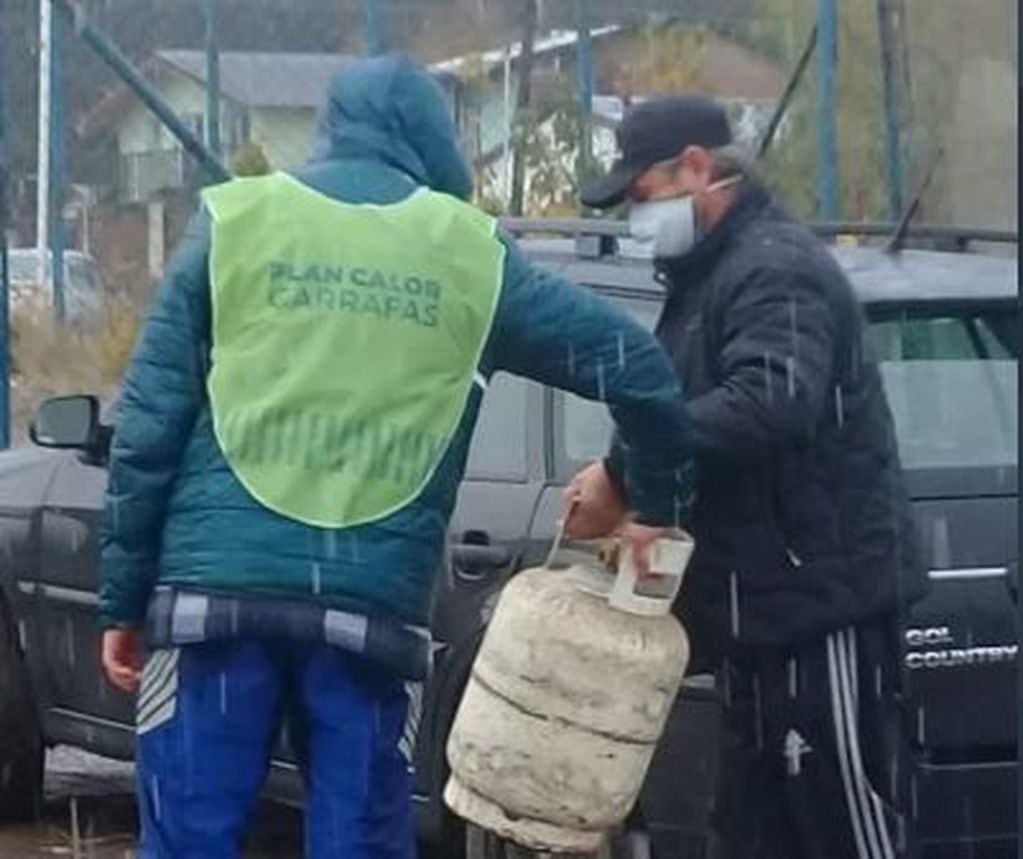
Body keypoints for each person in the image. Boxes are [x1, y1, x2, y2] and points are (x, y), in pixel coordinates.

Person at [98, 57, 694, 859]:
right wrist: (645, 498)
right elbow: (641, 371)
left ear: (329, 129)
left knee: (189, 839)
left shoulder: (233, 221)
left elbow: (147, 429)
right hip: (368, 612)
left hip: (213, 601)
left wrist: (124, 599)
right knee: (361, 841)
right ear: (433, 139)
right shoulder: (469, 256)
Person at [567, 95, 925, 859]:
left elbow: (767, 404)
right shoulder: (708, 279)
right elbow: (705, 421)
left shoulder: (773, 269)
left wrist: (623, 473)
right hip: (756, 626)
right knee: (755, 834)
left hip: (819, 616)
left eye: (641, 194)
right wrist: (655, 505)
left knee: (844, 830)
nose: (637, 216)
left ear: (696, 168)